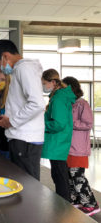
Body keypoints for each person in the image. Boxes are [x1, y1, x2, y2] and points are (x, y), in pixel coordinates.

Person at [0, 39, 45, 180]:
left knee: (28, 187)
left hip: (24, 140)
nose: (0, 69)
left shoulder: (24, 68)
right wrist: (6, 119)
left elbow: (37, 103)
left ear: (5, 56)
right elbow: (22, 104)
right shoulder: (21, 70)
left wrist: (12, 121)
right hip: (22, 138)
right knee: (22, 185)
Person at [62, 76, 100, 216]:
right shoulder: (68, 104)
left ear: (72, 88)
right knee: (70, 176)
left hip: (79, 149)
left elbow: (88, 124)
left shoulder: (82, 104)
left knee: (78, 177)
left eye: (65, 88)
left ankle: (91, 205)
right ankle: (76, 201)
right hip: (67, 147)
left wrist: (71, 122)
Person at [41, 69, 76, 201]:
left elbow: (58, 124)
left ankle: (64, 208)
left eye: (44, 83)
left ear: (53, 82)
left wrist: (42, 125)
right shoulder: (58, 96)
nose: (43, 86)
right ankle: (63, 204)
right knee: (59, 175)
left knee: (60, 176)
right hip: (59, 142)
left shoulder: (58, 98)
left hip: (57, 143)